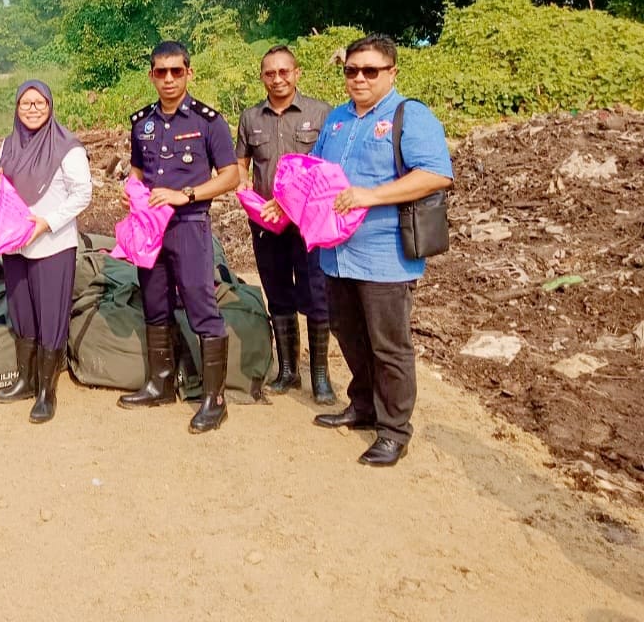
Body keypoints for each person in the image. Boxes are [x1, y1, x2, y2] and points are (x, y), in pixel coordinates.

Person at [272, 34, 453, 467]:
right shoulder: (336, 121)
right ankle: (364, 404)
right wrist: (283, 202)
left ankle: (393, 430)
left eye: (370, 71)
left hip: (384, 254)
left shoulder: (409, 116)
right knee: (348, 334)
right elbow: (314, 175)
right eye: (352, 70)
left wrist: (370, 195)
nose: (359, 78)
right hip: (336, 253)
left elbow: (435, 175)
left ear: (391, 72)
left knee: (389, 345)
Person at [118, 41, 241, 433]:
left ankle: (214, 400)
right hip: (149, 230)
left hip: (189, 225)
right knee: (154, 302)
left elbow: (231, 176)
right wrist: (130, 185)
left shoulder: (208, 122)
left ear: (189, 72)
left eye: (176, 71)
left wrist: (185, 194)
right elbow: (139, 170)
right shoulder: (142, 123)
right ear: (152, 75)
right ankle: (161, 382)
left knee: (201, 304)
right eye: (160, 72)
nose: (168, 79)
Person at [235, 45, 336, 404]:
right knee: (277, 291)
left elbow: (327, 170)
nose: (277, 79)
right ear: (262, 76)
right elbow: (242, 165)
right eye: (269, 73)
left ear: (297, 73)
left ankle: (320, 377)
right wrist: (243, 186)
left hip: (308, 222)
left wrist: (291, 201)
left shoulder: (321, 113)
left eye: (284, 72)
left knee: (316, 294)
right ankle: (288, 371)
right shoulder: (251, 118)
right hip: (266, 222)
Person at [0, 80, 92, 424]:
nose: (32, 109)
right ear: (16, 109)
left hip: (53, 244)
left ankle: (47, 392)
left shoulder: (67, 147)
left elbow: (82, 194)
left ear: (50, 107)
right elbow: (2, 186)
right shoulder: (8, 145)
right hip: (16, 242)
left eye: (39, 103)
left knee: (50, 316)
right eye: (25, 104)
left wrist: (46, 222)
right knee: (23, 312)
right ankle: (24, 380)